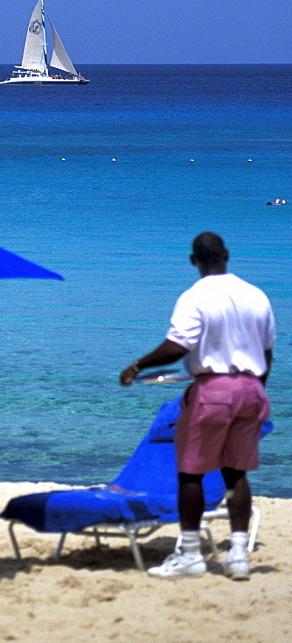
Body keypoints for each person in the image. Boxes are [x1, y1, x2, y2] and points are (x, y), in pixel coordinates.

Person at [119, 232, 275, 580]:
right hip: (251, 388)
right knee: (236, 474)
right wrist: (256, 392)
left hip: (213, 390)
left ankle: (190, 553)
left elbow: (178, 345)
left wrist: (137, 366)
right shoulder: (257, 296)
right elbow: (266, 353)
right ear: (227, 255)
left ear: (194, 261)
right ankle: (237, 554)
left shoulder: (195, 296)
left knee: (191, 472)